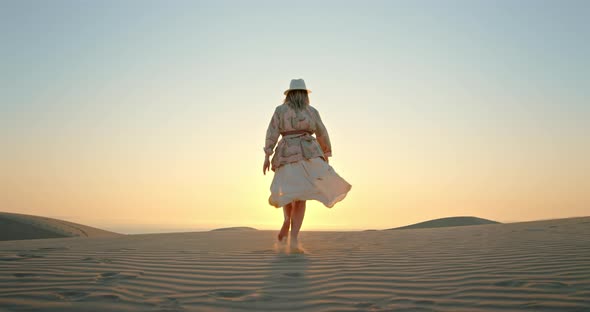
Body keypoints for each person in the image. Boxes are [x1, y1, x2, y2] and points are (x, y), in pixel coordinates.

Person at [263, 78, 352, 247]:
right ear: (305, 94)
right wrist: (326, 152)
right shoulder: (311, 111)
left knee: (287, 192)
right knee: (301, 196)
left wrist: (267, 154)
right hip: (308, 152)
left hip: (287, 152)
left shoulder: (280, 111)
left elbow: (272, 131)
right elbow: (321, 132)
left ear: (289, 94)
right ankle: (294, 238)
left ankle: (287, 220)